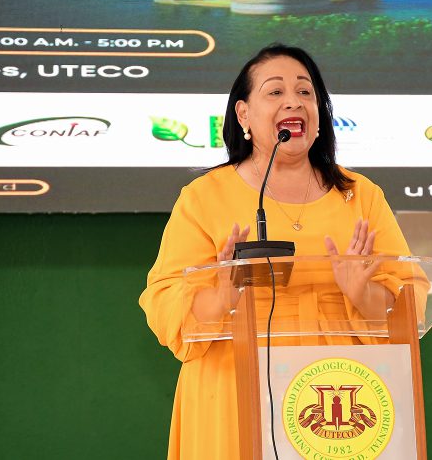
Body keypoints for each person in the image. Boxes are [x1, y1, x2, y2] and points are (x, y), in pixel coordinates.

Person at [139, 44, 412, 459]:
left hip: (339, 393)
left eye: (305, 92)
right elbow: (164, 306)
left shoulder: (361, 195)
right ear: (243, 114)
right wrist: (223, 294)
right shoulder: (203, 196)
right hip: (234, 385)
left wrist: (362, 291)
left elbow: (406, 305)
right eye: (275, 92)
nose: (294, 102)